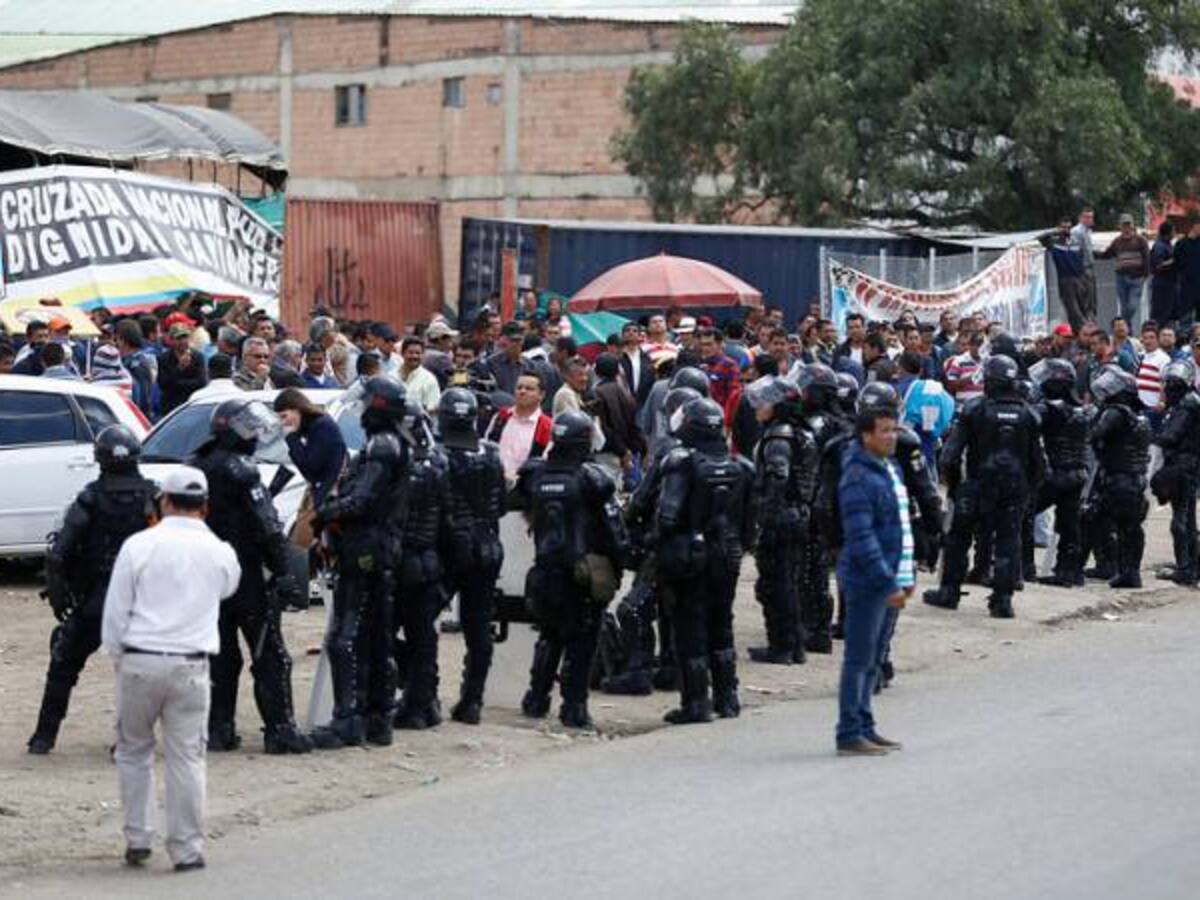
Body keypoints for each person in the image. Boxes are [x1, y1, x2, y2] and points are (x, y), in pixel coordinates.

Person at [102, 466, 240, 872]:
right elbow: (228, 588)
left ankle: (138, 836)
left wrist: (118, 656)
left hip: (140, 658)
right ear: (205, 506)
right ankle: (186, 848)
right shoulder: (220, 552)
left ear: (164, 501)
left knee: (133, 751)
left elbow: (115, 612)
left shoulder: (139, 546)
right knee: (187, 757)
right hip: (191, 665)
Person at [27, 426, 158, 755]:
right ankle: (129, 741)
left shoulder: (90, 498)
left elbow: (59, 555)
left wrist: (61, 601)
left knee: (63, 664)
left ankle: (44, 737)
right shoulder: (154, 497)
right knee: (139, 673)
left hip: (96, 599)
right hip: (141, 601)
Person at [190, 398, 311, 754]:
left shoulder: (197, 466)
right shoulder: (242, 470)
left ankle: (218, 729)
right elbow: (268, 527)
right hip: (245, 574)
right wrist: (285, 571)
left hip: (209, 576)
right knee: (269, 653)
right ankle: (280, 730)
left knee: (221, 656)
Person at [512, 410, 630, 729]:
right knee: (581, 640)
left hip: (543, 570)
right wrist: (618, 565)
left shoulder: (534, 476)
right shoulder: (593, 479)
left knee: (549, 635)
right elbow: (615, 533)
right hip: (581, 573)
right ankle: (574, 707)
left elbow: (515, 507)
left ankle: (536, 698)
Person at [311, 378, 410, 748]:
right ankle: (375, 716)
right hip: (377, 546)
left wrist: (324, 513)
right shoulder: (388, 443)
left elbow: (363, 500)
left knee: (346, 637)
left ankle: (349, 718)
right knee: (374, 636)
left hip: (367, 547)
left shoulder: (383, 445)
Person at [654, 399, 755, 724]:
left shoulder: (682, 462)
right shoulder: (741, 465)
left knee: (690, 627)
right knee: (722, 623)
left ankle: (695, 702)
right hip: (728, 553)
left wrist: (657, 543)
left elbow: (667, 516)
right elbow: (751, 520)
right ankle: (728, 697)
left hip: (691, 555)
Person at [924, 356, 1046, 618]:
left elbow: (950, 456)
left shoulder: (975, 409)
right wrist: (1026, 491)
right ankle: (1003, 600)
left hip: (979, 484)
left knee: (958, 538)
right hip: (1013, 488)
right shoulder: (1028, 414)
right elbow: (1039, 463)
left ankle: (949, 592)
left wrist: (956, 487)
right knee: (1008, 540)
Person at [605, 383, 705, 696]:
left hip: (664, 543)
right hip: (700, 548)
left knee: (634, 608)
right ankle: (674, 669)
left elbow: (644, 500)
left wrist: (629, 523)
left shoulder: (669, 452)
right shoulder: (715, 455)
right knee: (676, 609)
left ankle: (639, 671)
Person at [835, 406, 910, 756]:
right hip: (868, 582)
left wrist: (904, 575)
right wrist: (886, 581)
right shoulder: (856, 477)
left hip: (890, 575)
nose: (891, 436)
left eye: (893, 429)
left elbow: (900, 525)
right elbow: (861, 537)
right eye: (884, 430)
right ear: (866, 436)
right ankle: (849, 730)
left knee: (874, 658)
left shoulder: (888, 469)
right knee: (859, 657)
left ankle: (865, 724)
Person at [438, 389, 506, 724]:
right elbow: (502, 502)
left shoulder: (441, 455)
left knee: (420, 623)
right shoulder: (492, 453)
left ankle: (423, 694)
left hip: (451, 548)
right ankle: (472, 700)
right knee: (479, 626)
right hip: (488, 545)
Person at [745, 373, 817, 665]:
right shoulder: (801, 431)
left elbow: (778, 476)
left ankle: (782, 645)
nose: (757, 408)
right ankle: (792, 644)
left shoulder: (779, 436)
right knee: (788, 582)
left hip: (782, 518)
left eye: (763, 403)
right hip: (797, 514)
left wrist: (764, 517)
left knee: (776, 584)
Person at [392, 401, 450, 730]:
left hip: (404, 561)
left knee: (387, 633)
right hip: (429, 561)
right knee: (423, 637)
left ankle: (418, 699)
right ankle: (424, 699)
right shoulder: (438, 464)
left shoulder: (397, 465)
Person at [1026, 359, 1092, 587]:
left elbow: (1027, 426)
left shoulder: (1047, 409)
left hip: (1054, 474)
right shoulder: (1082, 411)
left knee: (1025, 514)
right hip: (1078, 474)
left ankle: (1025, 567)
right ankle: (1070, 571)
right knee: (1069, 524)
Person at [1089, 367, 1152, 588]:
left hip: (1119, 479)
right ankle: (1129, 572)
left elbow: (1094, 434)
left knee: (1097, 520)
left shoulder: (1115, 413)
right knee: (1131, 528)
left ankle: (1110, 566)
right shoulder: (1140, 416)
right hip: (1136, 480)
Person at [1152, 361, 1200, 585]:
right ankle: (1191, 564)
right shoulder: (1186, 402)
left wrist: (1154, 437)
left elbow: (1171, 436)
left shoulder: (1187, 405)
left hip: (1183, 466)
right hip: (1185, 465)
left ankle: (1186, 567)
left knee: (1181, 520)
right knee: (1187, 518)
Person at [275, 388, 347, 505]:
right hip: (322, 493)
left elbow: (309, 467)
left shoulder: (322, 426)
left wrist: (292, 438)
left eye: (284, 416)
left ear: (297, 410)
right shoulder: (313, 428)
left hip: (329, 497)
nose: (283, 423)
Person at [485, 371, 553, 483]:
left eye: (529, 389)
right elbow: (487, 446)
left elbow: (545, 463)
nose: (522, 391)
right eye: (519, 387)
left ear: (541, 395)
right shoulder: (501, 417)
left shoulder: (547, 427)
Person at [591, 353, 645, 483]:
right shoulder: (624, 392)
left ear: (597, 371)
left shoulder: (597, 393)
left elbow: (603, 427)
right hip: (626, 449)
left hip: (609, 451)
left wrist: (622, 451)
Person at [1100, 214, 1150, 328]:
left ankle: (1123, 325)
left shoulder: (1141, 240)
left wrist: (1145, 274)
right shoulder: (1117, 241)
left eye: (1128, 225)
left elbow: (1147, 258)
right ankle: (1127, 329)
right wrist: (1095, 254)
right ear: (1120, 227)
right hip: (1121, 277)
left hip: (1136, 278)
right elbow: (1108, 253)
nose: (1126, 228)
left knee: (1132, 306)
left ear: (1132, 226)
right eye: (1124, 225)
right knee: (1123, 306)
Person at [1040, 218, 1089, 333]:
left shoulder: (1076, 242)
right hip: (1065, 279)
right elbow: (1042, 238)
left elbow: (1084, 256)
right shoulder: (1055, 243)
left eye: (1068, 228)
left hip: (1080, 278)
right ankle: (1080, 332)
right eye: (1063, 227)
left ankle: (1084, 331)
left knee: (1083, 307)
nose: (1066, 230)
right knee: (1072, 309)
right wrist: (1055, 232)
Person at [158, 323, 208, 415]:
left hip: (191, 403)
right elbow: (163, 384)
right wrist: (179, 368)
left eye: (185, 337)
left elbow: (201, 382)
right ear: (171, 340)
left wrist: (177, 383)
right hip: (171, 406)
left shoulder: (197, 357)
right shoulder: (164, 358)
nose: (183, 341)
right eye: (179, 338)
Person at [399, 335, 442, 413]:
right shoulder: (392, 376)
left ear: (423, 355)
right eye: (411, 352)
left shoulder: (429, 379)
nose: (414, 356)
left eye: (418, 353)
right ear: (402, 353)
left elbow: (434, 408)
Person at [618, 320, 655, 411]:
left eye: (634, 331)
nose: (631, 333)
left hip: (643, 403)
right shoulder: (617, 358)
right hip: (622, 403)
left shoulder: (646, 358)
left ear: (639, 336)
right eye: (627, 330)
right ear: (622, 335)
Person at [1071, 205, 1099, 322]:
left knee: (1092, 300)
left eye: (1091, 217)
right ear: (1080, 218)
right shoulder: (1077, 231)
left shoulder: (1088, 232)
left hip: (1090, 269)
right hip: (1082, 270)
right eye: (1086, 217)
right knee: (1085, 300)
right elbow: (1076, 251)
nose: (1089, 220)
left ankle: (1091, 321)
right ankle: (1086, 324)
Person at [1150, 221, 1178, 327]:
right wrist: (1175, 260)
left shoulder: (1168, 245)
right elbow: (1158, 265)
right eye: (1173, 231)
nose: (1174, 233)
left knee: (1170, 313)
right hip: (1162, 285)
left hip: (1170, 283)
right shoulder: (1160, 246)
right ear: (1168, 232)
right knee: (1162, 314)